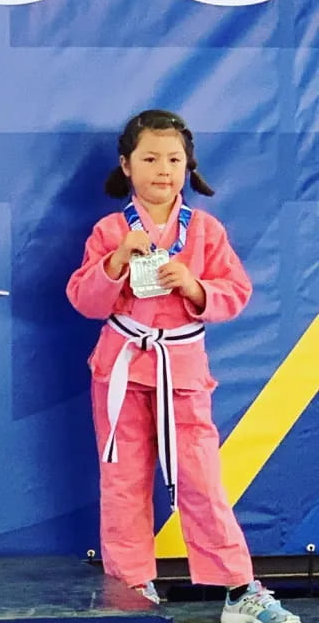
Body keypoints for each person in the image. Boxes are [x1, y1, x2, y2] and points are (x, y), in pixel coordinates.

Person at [66, 110, 299, 622]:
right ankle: (131, 592)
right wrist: (115, 263)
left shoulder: (205, 231)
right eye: (150, 158)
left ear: (188, 165)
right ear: (127, 165)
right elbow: (84, 299)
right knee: (123, 481)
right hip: (122, 371)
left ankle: (240, 591)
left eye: (174, 159)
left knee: (202, 480)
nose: (163, 170)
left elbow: (236, 291)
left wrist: (194, 286)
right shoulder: (110, 230)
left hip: (182, 372)